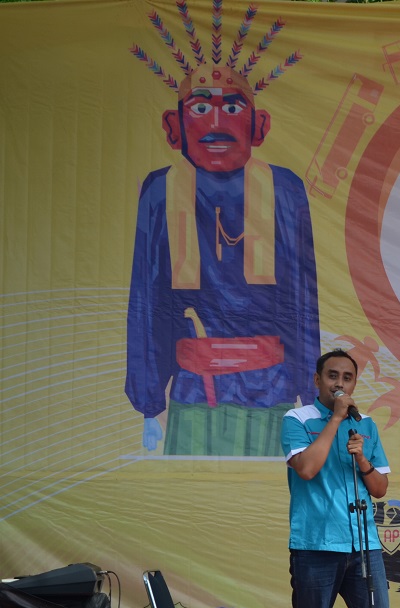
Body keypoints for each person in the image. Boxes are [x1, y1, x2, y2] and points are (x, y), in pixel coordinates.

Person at [125, 3, 318, 456]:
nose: (215, 123)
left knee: (266, 492)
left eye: (232, 107)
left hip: (270, 386)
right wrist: (150, 405)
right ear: (174, 127)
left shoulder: (284, 190)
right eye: (199, 107)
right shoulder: (161, 191)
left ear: (258, 125)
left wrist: (310, 395)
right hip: (194, 386)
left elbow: (301, 300)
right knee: (192, 492)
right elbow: (147, 303)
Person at [281, 349, 396, 608]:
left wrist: (362, 459)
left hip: (364, 547)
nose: (339, 384)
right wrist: (335, 419)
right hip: (315, 546)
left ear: (355, 383)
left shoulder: (365, 424)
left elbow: (380, 489)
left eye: (347, 378)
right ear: (317, 380)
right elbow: (306, 469)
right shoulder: (297, 418)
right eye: (332, 376)